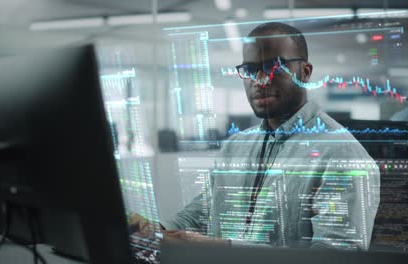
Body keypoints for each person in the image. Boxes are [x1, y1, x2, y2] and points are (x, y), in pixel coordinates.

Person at [132, 22, 380, 251]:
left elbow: (334, 257)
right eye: (250, 70)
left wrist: (225, 248)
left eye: (274, 67)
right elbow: (201, 216)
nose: (260, 80)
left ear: (305, 72)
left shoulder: (341, 155)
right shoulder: (236, 148)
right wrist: (155, 230)